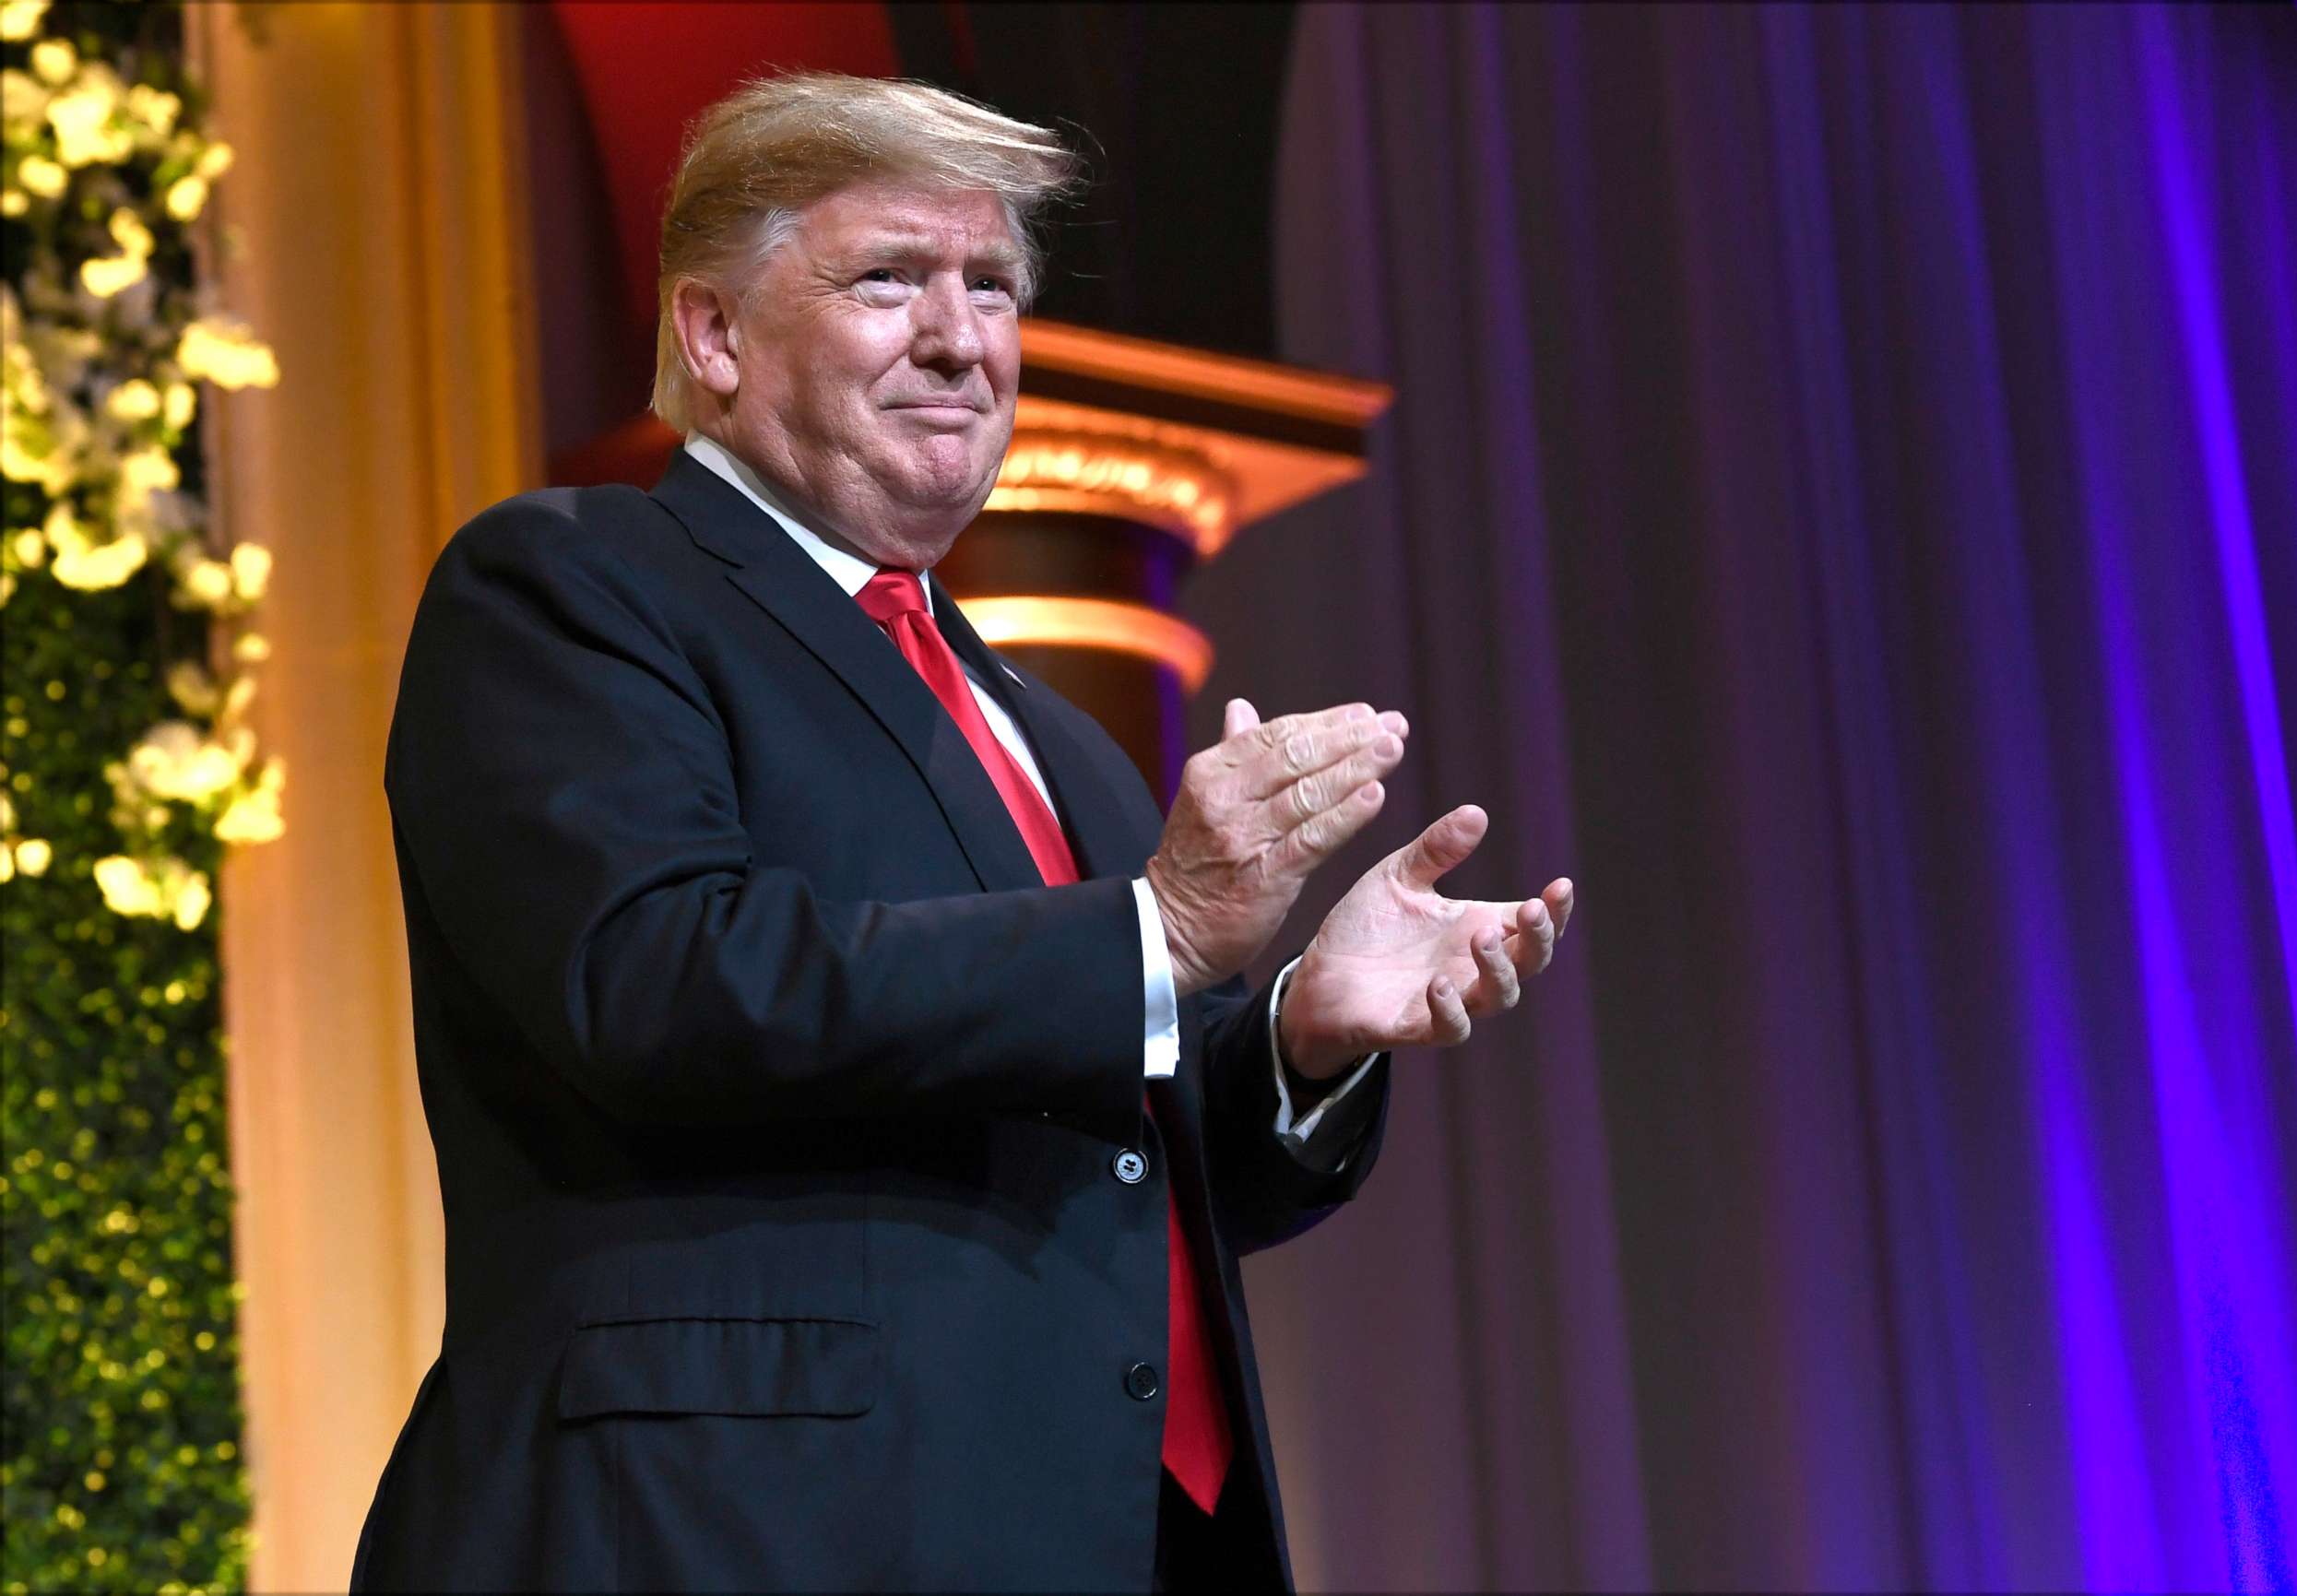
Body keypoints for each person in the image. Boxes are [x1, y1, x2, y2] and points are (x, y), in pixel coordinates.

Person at [350, 69, 1572, 1593]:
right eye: (887, 280)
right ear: (713, 335)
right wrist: (1161, 936)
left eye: (992, 285)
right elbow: (659, 983)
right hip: (738, 1536)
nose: (959, 336)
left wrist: (1297, 1045)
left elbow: (1102, 1175)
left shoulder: (1055, 740)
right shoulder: (571, 591)